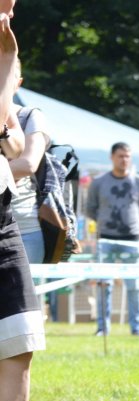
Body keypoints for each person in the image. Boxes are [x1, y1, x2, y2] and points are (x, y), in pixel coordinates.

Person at [0, 0, 55, 401]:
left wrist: (4, 71)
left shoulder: (23, 107)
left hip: (4, 226)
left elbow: (22, 156)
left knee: (19, 346)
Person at [85, 142, 139, 336]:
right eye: (120, 156)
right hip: (105, 238)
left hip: (133, 239)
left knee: (134, 285)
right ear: (112, 157)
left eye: (127, 156)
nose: (124, 160)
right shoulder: (99, 182)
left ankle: (136, 328)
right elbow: (90, 209)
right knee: (103, 284)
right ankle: (102, 328)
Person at [8, 58, 48, 265]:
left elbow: (28, 164)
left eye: (7, 75)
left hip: (23, 230)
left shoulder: (30, 115)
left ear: (18, 82)